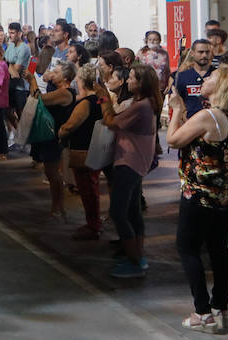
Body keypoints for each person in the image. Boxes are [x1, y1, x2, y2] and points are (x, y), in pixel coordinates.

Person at [166, 64, 228, 332]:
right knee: (218, 249)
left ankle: (202, 312)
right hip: (222, 193)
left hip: (198, 193)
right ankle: (220, 308)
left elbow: (174, 140)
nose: (205, 78)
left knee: (187, 248)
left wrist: (177, 110)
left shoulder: (208, 116)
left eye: (212, 77)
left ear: (221, 86)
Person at [99, 64, 162, 278]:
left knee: (118, 211)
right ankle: (136, 254)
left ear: (142, 82)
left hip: (129, 162)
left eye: (132, 78)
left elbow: (111, 122)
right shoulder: (145, 103)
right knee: (133, 211)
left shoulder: (141, 106)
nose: (128, 81)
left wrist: (102, 98)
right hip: (136, 162)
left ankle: (135, 261)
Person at [22, 60, 76, 218]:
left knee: (53, 173)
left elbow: (38, 99)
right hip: (50, 135)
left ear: (65, 77)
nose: (53, 73)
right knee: (51, 172)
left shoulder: (65, 92)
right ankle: (57, 206)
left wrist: (32, 80)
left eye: (57, 72)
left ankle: (58, 206)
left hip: (54, 136)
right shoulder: (60, 90)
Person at [60, 65, 104, 239]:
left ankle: (93, 224)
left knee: (87, 188)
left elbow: (71, 126)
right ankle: (94, 222)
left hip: (83, 150)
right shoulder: (101, 100)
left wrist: (61, 131)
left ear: (82, 82)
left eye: (78, 80)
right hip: (96, 148)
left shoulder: (85, 103)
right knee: (91, 187)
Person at [175, 39, 214, 117]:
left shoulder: (218, 74)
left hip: (213, 120)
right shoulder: (182, 76)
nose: (204, 55)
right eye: (200, 52)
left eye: (207, 52)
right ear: (192, 53)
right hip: (190, 121)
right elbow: (176, 98)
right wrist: (183, 114)